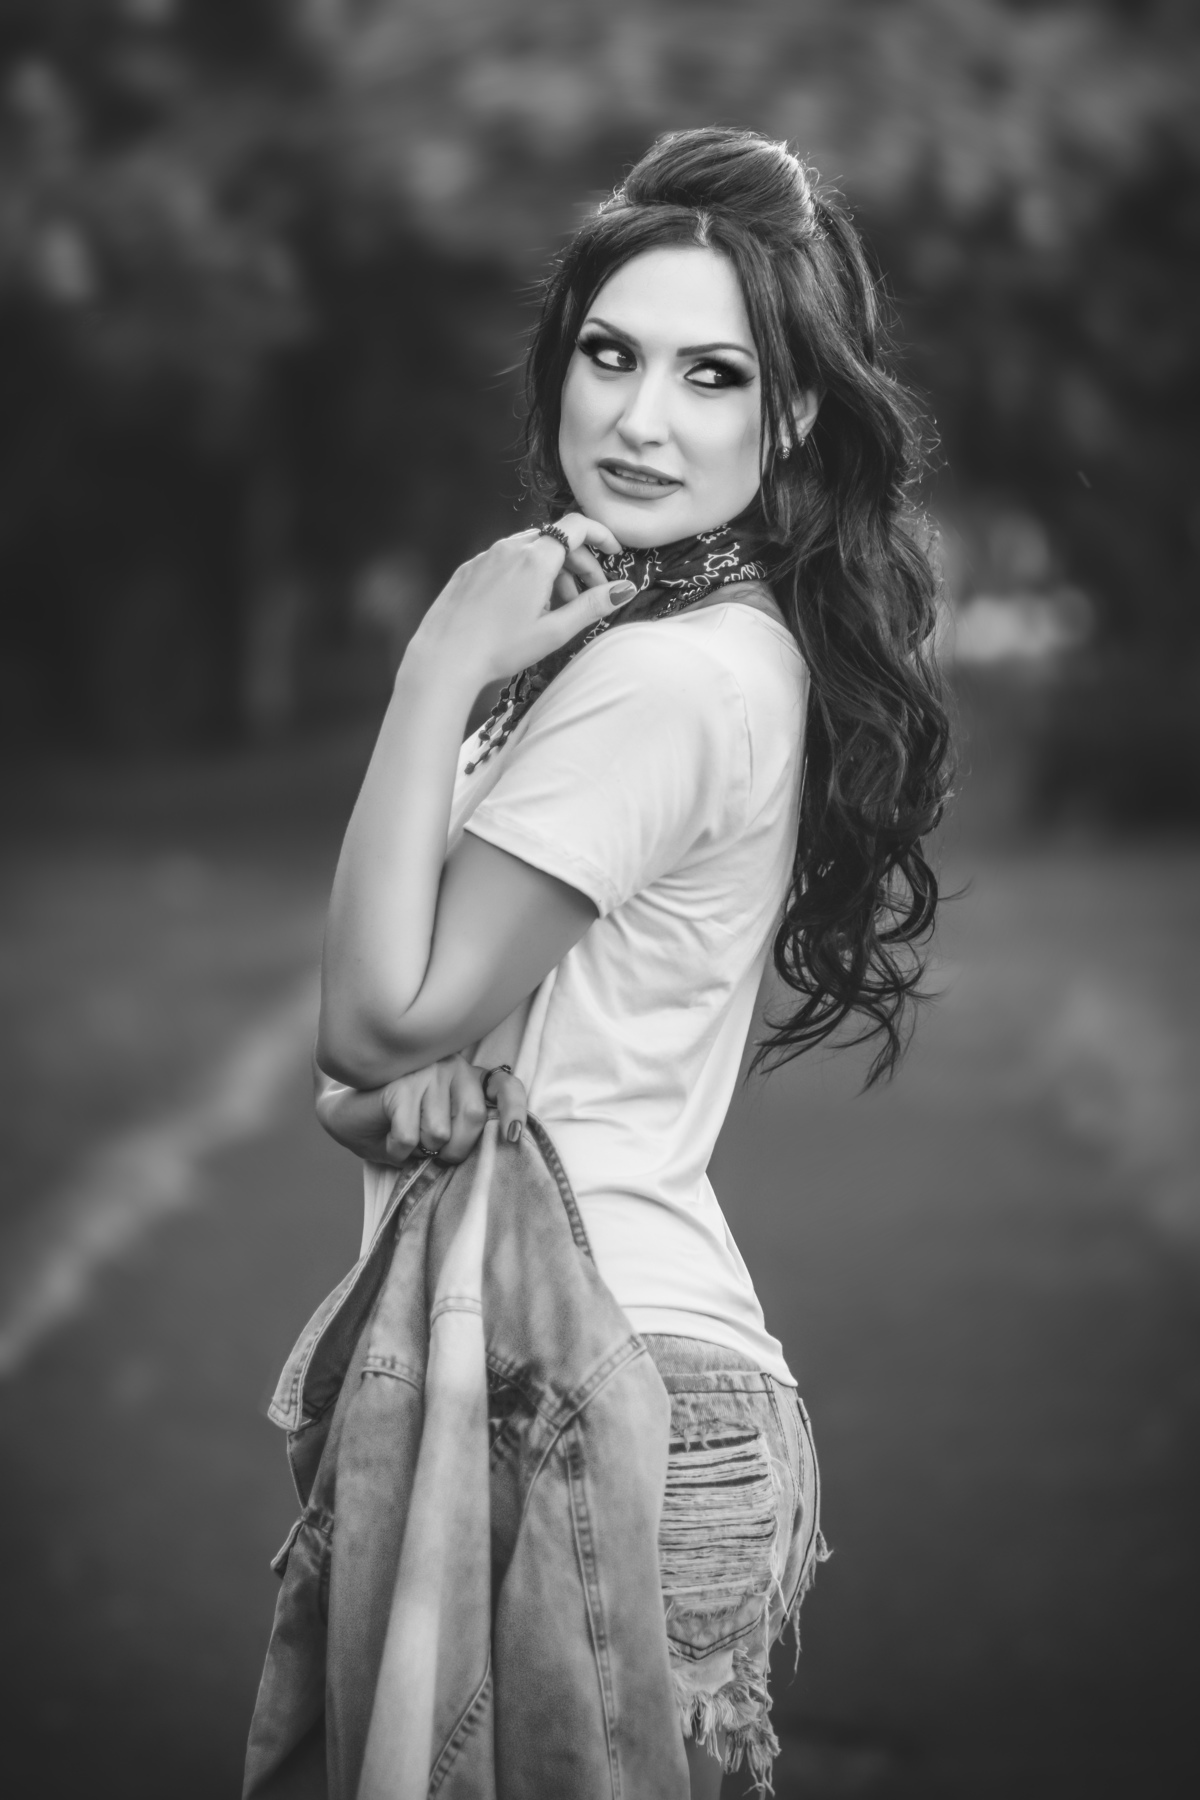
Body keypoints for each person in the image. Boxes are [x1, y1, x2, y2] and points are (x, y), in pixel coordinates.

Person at [314, 127, 952, 1798]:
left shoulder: (666, 683)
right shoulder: (660, 644)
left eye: (711, 374)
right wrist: (376, 1087)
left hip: (593, 1382)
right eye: (610, 355)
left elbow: (376, 1015)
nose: (641, 418)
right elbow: (379, 1072)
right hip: (561, 1358)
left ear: (790, 416)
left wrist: (435, 661)